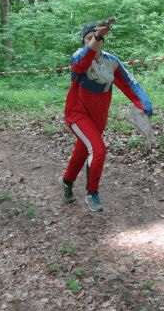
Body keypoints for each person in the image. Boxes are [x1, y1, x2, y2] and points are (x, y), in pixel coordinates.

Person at [61, 20, 153, 212]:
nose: (92, 41)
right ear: (84, 41)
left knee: (83, 150)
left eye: (95, 38)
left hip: (99, 117)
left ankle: (67, 181)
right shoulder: (79, 57)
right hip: (77, 114)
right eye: (88, 38)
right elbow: (81, 63)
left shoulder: (111, 61)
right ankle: (92, 193)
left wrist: (144, 104)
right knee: (98, 150)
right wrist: (97, 36)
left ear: (103, 41)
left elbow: (129, 83)